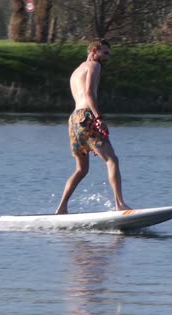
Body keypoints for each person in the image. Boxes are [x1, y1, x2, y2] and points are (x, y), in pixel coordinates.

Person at [55, 38, 131, 214]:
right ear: (94, 50)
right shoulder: (94, 66)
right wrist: (98, 118)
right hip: (87, 116)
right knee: (112, 160)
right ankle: (120, 205)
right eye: (105, 53)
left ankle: (61, 208)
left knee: (81, 169)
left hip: (74, 119)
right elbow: (89, 94)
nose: (107, 57)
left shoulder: (76, 71)